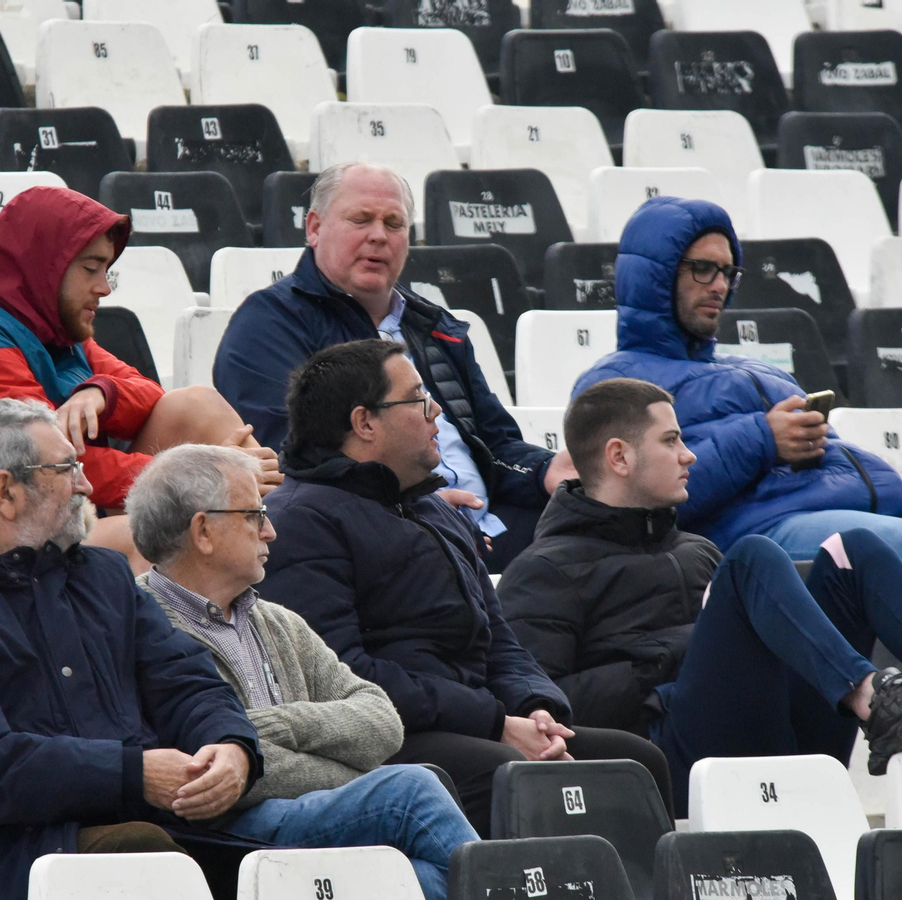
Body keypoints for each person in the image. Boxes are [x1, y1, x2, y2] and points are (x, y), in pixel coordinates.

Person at [498, 378, 902, 814]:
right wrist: (674, 656)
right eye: (673, 440)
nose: (690, 455)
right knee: (754, 557)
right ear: (619, 456)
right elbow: (545, 716)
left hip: (776, 731)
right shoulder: (544, 570)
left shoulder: (695, 550)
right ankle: (871, 699)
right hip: (677, 761)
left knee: (853, 549)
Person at [572, 196, 902, 610]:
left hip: (860, 519)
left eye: (728, 272)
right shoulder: (616, 381)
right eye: (702, 269)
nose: (719, 286)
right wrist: (764, 439)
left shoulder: (753, 368)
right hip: (751, 540)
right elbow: (634, 497)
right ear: (656, 273)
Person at [258, 339, 671, 835]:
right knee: (510, 775)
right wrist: (495, 723)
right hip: (393, 737)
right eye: (417, 399)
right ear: (365, 422)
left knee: (637, 761)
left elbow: (499, 638)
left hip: (478, 720)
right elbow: (345, 675)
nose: (437, 413)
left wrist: (535, 709)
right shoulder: (301, 522)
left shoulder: (433, 509)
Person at [0, 398, 262, 900]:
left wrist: (230, 748)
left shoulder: (105, 577)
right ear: (5, 492)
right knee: (143, 857)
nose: (87, 485)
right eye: (67, 468)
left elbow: (185, 682)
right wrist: (133, 774)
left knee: (295, 853)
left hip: (142, 834)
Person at [124, 443, 479, 900]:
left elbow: (381, 720)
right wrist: (350, 774)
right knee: (409, 789)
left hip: (301, 815)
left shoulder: (278, 621)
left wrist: (272, 728)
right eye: (255, 515)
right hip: (221, 836)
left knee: (423, 879)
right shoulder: (140, 624)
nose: (271, 531)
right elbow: (207, 766)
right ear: (204, 532)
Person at [213, 161, 575, 569]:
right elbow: (292, 462)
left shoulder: (435, 324)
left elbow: (494, 443)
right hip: (383, 535)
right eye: (361, 219)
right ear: (314, 228)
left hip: (485, 524)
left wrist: (545, 469)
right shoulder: (268, 323)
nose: (378, 236)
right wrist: (418, 505)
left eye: (394, 223)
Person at [0, 186, 281, 564]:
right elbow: (44, 467)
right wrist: (210, 475)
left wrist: (101, 392)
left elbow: (150, 396)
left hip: (55, 511)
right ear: (44, 265)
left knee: (195, 405)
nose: (103, 288)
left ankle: (268, 540)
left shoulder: (57, 331)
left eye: (107, 271)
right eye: (90, 269)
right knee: (149, 539)